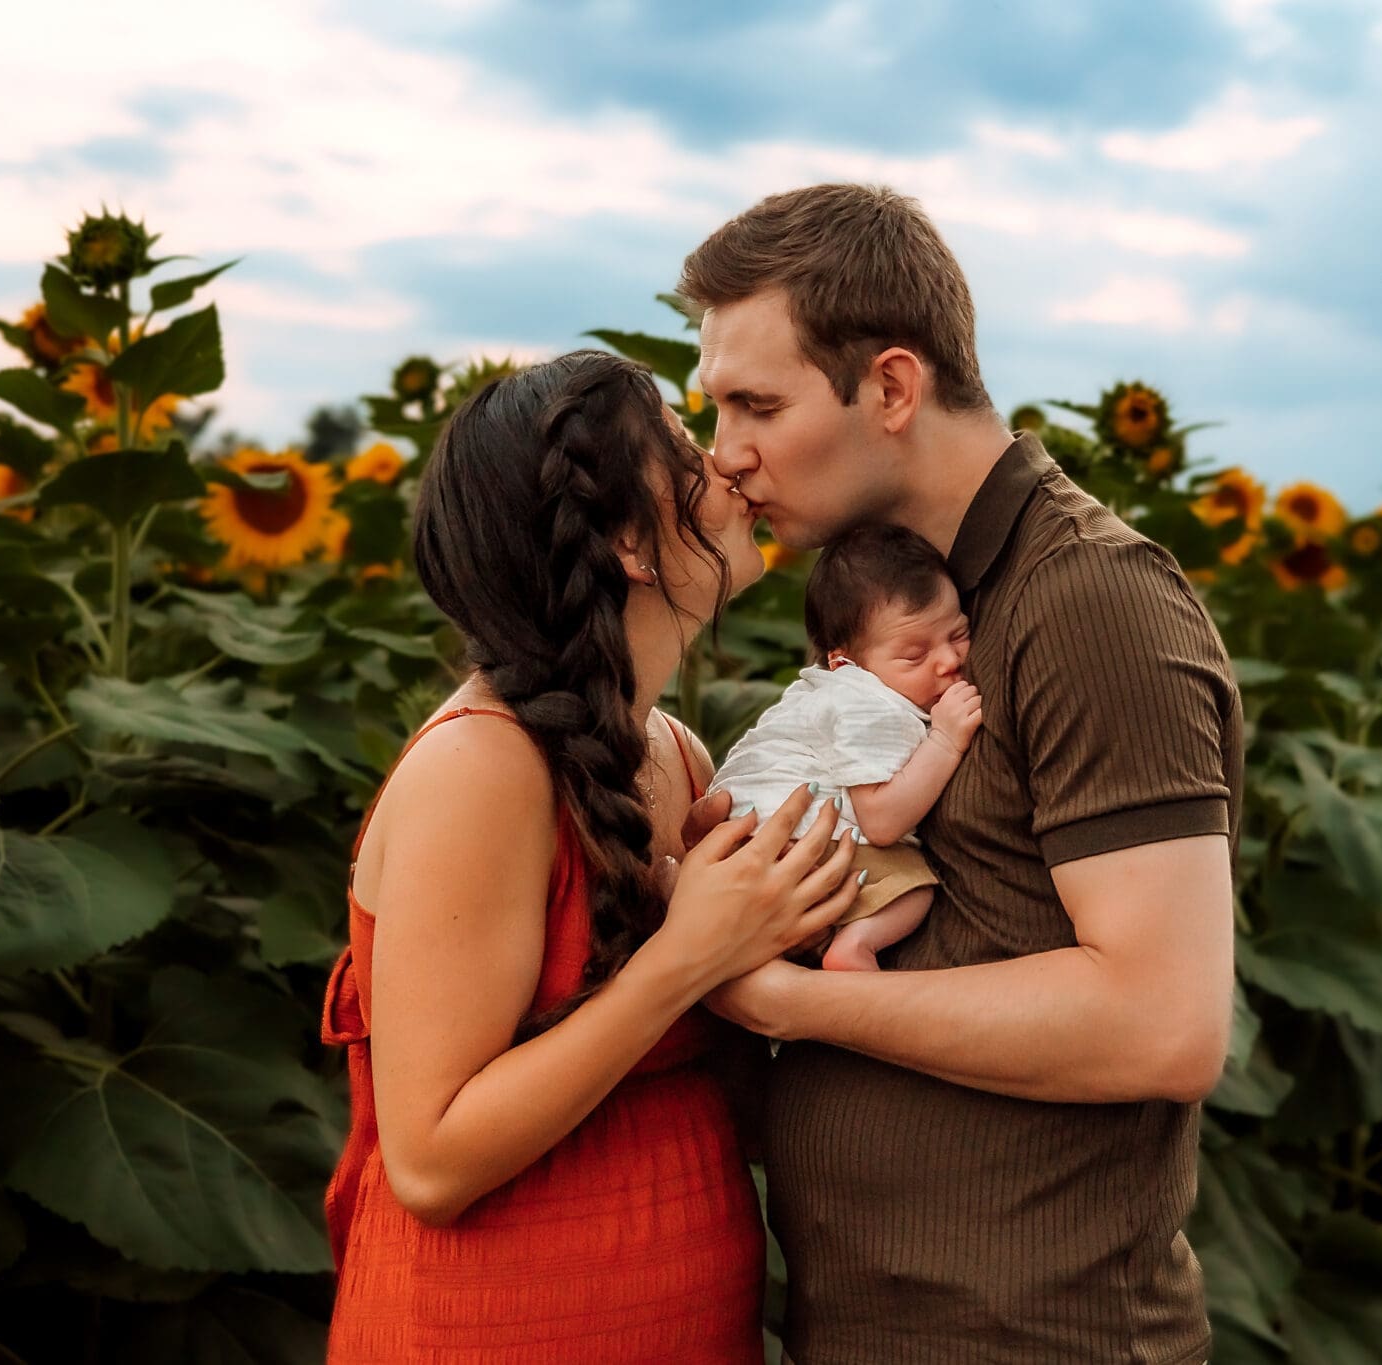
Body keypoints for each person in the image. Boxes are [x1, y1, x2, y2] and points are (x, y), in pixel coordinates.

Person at [679, 185, 1244, 1364]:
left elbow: (1161, 1024)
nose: (723, 454)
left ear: (890, 386)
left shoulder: (1088, 602)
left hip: (1037, 1336)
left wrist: (792, 1002)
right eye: (713, 408)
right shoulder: (898, 598)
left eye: (755, 405)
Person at [319, 349, 862, 1363]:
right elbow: (431, 1161)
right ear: (626, 539)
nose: (732, 468)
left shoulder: (669, 754)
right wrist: (686, 958)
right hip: (490, 1328)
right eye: (689, 453)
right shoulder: (482, 769)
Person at [708, 524, 984, 971]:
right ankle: (856, 946)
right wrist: (946, 740)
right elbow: (881, 821)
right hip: (793, 841)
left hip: (739, 844)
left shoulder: (828, 693)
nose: (949, 661)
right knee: (915, 887)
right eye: (914, 655)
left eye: (958, 633)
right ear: (845, 662)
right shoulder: (868, 703)